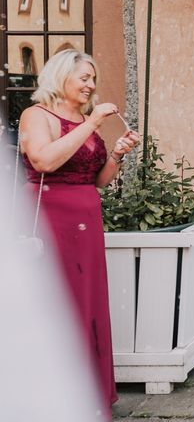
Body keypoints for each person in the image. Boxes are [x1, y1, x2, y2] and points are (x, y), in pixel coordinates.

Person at [17, 49, 141, 416]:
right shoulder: (36, 115)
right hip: (52, 219)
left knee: (87, 304)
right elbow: (44, 160)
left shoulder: (84, 119)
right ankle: (50, 397)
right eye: (84, 78)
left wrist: (117, 154)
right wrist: (92, 125)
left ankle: (89, 395)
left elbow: (98, 181)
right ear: (61, 77)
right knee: (59, 303)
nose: (91, 86)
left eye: (93, 80)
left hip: (86, 220)